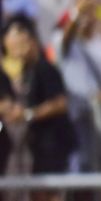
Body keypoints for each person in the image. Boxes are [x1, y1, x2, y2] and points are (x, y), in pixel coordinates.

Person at [2, 15, 77, 200]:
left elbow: (60, 103)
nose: (13, 52)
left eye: (15, 45)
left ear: (28, 40)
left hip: (53, 147)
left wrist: (27, 114)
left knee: (48, 194)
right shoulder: (29, 71)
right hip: (39, 148)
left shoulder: (45, 68)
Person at [53, 0, 101, 177]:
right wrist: (76, 14)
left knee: (98, 171)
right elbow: (65, 39)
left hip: (98, 120)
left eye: (89, 12)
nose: (86, 17)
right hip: (73, 119)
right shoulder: (64, 41)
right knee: (76, 170)